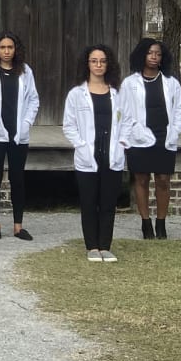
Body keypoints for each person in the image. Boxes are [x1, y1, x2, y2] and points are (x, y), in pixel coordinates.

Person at [62, 44, 129, 264]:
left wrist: (122, 142)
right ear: (87, 64)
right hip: (88, 155)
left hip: (112, 154)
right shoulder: (76, 94)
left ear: (108, 64)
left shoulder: (118, 94)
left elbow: (128, 121)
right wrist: (80, 145)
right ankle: (92, 246)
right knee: (89, 202)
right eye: (94, 61)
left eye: (102, 61)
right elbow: (69, 125)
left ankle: (105, 246)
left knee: (108, 202)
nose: (98, 65)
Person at [119, 37, 181, 240]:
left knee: (163, 180)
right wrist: (130, 133)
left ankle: (161, 223)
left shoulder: (171, 82)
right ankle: (146, 223)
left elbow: (180, 109)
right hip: (138, 136)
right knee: (141, 178)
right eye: (150, 53)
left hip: (164, 136)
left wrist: (175, 130)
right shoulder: (130, 83)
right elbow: (122, 111)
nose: (154, 57)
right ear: (142, 55)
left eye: (158, 53)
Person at [0, 32, 39, 242]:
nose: (6, 51)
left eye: (10, 47)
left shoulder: (25, 71)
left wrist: (26, 123)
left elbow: (33, 100)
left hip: (18, 134)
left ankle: (18, 226)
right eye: (2, 47)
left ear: (16, 49)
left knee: (17, 178)